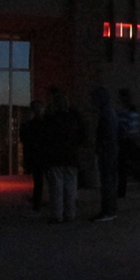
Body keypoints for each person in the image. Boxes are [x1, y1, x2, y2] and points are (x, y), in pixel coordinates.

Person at [45, 90, 87, 223]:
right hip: (71, 156)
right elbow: (83, 134)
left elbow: (46, 138)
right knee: (70, 187)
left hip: (56, 157)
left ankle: (57, 215)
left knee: (56, 187)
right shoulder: (74, 119)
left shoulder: (52, 119)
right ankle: (70, 214)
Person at [90, 86, 119, 222]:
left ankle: (108, 211)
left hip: (107, 153)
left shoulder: (106, 113)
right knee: (110, 182)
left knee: (107, 182)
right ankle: (110, 209)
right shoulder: (109, 112)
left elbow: (106, 135)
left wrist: (100, 149)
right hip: (111, 152)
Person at [19, 100, 50, 216]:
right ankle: (45, 202)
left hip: (37, 156)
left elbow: (25, 139)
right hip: (44, 155)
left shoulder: (29, 125)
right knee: (46, 180)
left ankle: (37, 203)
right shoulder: (45, 123)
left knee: (39, 182)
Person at [116, 88, 140, 199]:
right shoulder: (129, 110)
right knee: (125, 167)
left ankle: (121, 191)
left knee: (124, 167)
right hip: (128, 140)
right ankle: (121, 191)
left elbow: (127, 127)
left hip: (126, 141)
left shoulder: (126, 111)